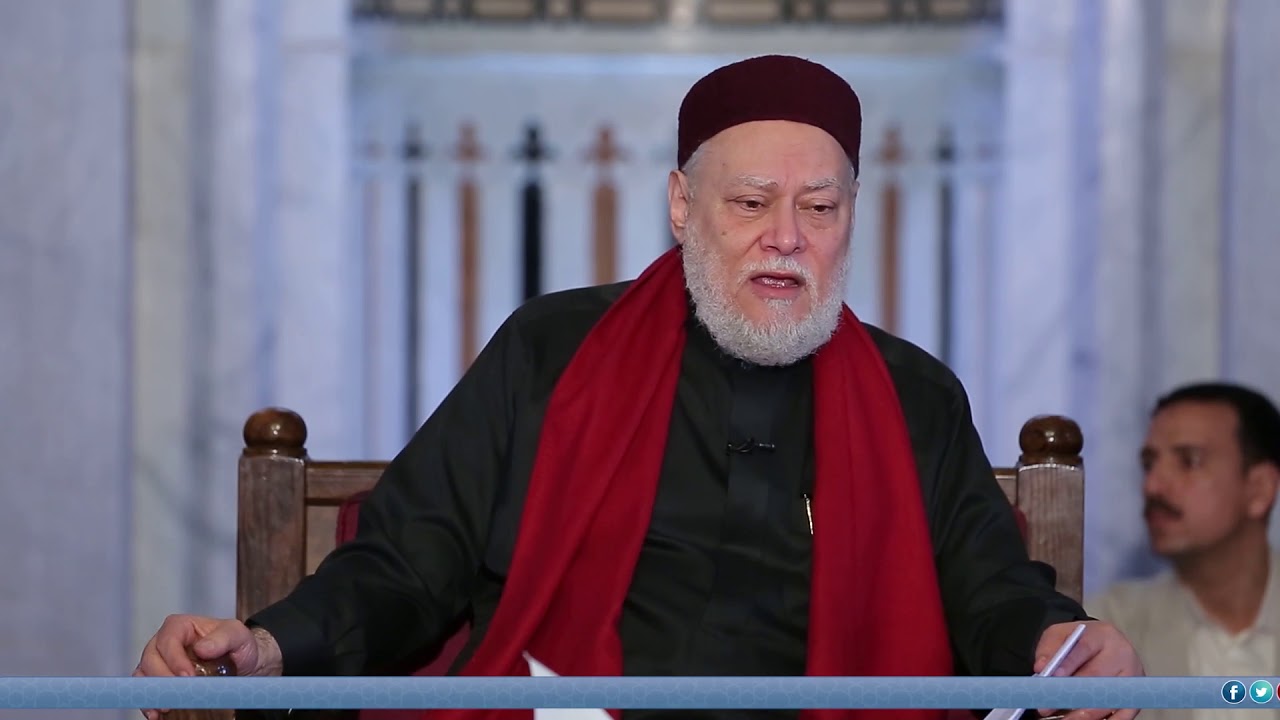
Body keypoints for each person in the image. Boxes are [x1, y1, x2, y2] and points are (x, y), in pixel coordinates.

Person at [136, 55, 1143, 720]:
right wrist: (266, 648)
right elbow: (409, 563)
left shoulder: (914, 396)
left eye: (818, 207)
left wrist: (1058, 641)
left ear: (850, 217)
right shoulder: (551, 351)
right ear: (681, 205)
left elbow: (986, 587)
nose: (784, 238)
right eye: (748, 202)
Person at [1088, 382, 1280, 720]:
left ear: (1259, 489)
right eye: (1149, 464)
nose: (1152, 486)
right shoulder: (1108, 627)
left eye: (1188, 461)